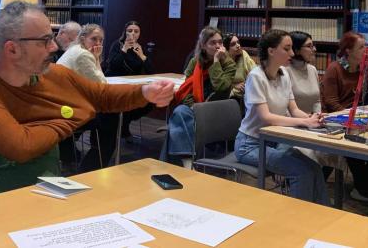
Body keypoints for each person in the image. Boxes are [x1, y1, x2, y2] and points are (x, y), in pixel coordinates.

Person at [0, 1, 173, 201]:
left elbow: (101, 95)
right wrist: (70, 117)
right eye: (45, 41)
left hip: (49, 193)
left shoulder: (52, 74)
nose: (54, 47)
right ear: (12, 49)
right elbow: (20, 146)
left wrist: (145, 92)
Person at [234, 29, 329, 205]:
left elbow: (294, 109)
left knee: (314, 167)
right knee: (301, 171)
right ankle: (299, 216)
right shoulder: (256, 77)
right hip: (250, 144)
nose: (292, 53)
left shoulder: (284, 74)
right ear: (271, 51)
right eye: (287, 49)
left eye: (292, 48)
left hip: (273, 141)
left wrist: (312, 118)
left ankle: (323, 214)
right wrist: (304, 121)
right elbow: (266, 117)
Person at [322, 31, 368, 206]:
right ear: (348, 50)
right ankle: (364, 188)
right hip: (336, 119)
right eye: (361, 47)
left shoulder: (363, 69)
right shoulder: (334, 69)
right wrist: (352, 119)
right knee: (354, 139)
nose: (366, 49)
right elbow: (331, 102)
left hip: (357, 117)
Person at [163, 27, 236, 168]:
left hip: (215, 109)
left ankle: (174, 165)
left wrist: (216, 62)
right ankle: (187, 163)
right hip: (194, 107)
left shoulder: (229, 64)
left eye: (220, 42)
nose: (217, 46)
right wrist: (193, 106)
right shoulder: (195, 62)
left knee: (178, 120)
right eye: (212, 43)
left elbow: (221, 87)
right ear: (203, 45)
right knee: (180, 113)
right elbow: (186, 90)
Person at [56, 24, 116, 171]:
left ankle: (70, 158)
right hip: (67, 112)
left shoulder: (74, 49)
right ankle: (91, 167)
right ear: (83, 38)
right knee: (110, 118)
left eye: (101, 40)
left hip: (59, 106)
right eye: (94, 39)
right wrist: (97, 58)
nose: (98, 43)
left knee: (105, 116)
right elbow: (102, 85)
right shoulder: (84, 55)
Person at [104, 20, 155, 140]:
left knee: (150, 101)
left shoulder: (139, 48)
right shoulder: (117, 45)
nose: (133, 33)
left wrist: (142, 56)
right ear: (125, 32)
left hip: (133, 84)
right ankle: (121, 126)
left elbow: (151, 71)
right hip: (115, 82)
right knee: (125, 101)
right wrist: (124, 50)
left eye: (136, 31)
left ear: (139, 34)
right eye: (130, 30)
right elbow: (112, 65)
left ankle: (124, 123)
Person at [285, 31, 321, 114]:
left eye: (313, 46)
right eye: (309, 46)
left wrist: (317, 116)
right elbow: (284, 108)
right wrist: (306, 119)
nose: (314, 49)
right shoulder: (285, 70)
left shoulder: (313, 69)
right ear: (296, 50)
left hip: (310, 119)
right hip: (291, 120)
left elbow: (317, 101)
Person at [223, 32, 257, 103]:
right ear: (226, 48)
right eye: (233, 44)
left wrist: (247, 84)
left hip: (245, 91)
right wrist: (233, 86)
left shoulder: (243, 54)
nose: (238, 45)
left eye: (238, 42)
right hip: (229, 94)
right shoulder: (223, 60)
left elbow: (255, 72)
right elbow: (221, 83)